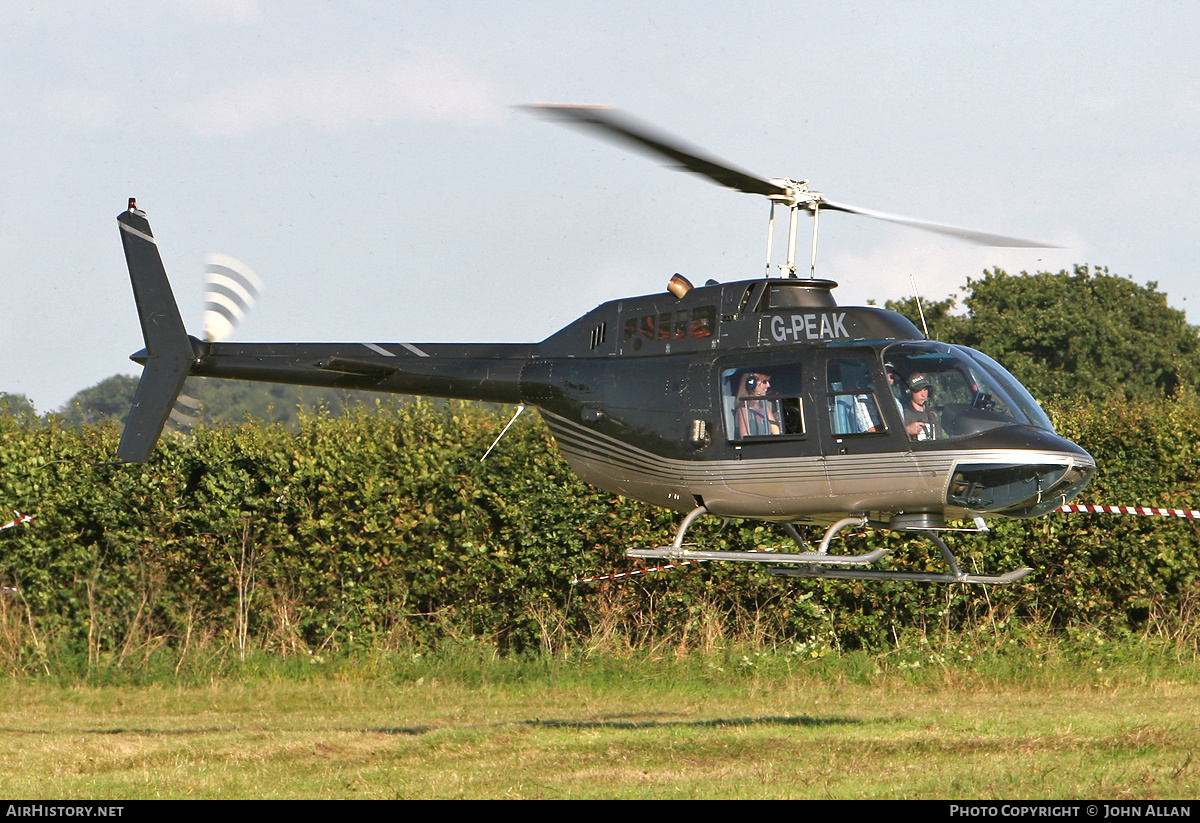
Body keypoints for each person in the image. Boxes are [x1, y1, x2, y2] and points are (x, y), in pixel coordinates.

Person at [735, 371, 782, 437]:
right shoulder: (743, 410)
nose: (768, 385)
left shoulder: (765, 407)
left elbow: (776, 433)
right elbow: (745, 438)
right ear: (751, 384)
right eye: (764, 382)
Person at [903, 373, 939, 441]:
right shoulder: (905, 415)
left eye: (925, 390)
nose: (923, 394)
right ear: (910, 393)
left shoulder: (932, 415)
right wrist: (906, 431)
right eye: (919, 390)